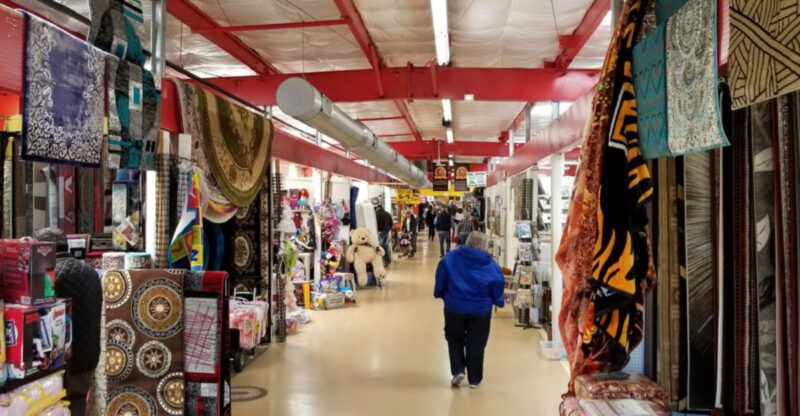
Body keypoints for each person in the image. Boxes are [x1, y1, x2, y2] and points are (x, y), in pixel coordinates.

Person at [33, 228, 102, 415]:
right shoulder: (90, 272)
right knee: (79, 403)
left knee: (58, 406)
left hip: (64, 360)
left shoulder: (50, 277)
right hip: (88, 355)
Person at [434, 231, 504, 389]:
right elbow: (498, 284)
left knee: (454, 338)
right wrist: (498, 301)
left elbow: (441, 278)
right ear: (484, 245)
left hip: (454, 307)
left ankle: (458, 370)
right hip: (480, 310)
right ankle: (474, 379)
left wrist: (441, 293)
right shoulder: (491, 264)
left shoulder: (450, 258)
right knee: (477, 342)